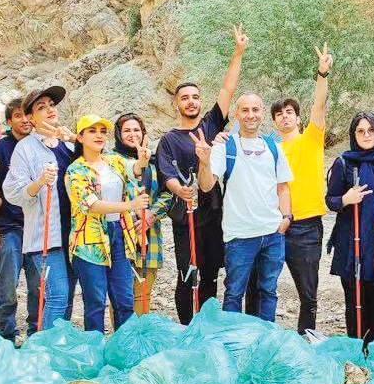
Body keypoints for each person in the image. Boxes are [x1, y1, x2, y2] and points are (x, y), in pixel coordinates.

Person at [155, 24, 248, 323]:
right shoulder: (168, 139)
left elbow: (227, 90)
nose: (191, 101)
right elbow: (166, 173)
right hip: (186, 218)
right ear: (177, 103)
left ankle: (206, 327)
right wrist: (179, 189)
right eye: (185, 98)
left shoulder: (209, 126)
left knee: (209, 275)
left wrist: (238, 52)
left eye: (195, 97)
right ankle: (186, 329)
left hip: (213, 214)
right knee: (187, 274)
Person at [245, 44, 334, 334]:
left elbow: (318, 106)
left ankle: (304, 340)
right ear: (274, 121)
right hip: (271, 226)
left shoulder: (311, 139)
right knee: (258, 286)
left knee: (307, 294)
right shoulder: (268, 148)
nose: (284, 117)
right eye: (279, 114)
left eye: (289, 112)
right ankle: (257, 336)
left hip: (306, 225)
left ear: (297, 118)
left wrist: (322, 73)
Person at [196, 93, 292, 321]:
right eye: (245, 110)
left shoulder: (273, 146)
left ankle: (266, 340)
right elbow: (207, 185)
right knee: (234, 294)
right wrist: (204, 161)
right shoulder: (224, 146)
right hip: (239, 235)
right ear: (236, 114)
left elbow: (283, 186)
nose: (251, 115)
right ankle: (234, 341)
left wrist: (285, 218)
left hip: (272, 233)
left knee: (268, 291)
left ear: (262, 113)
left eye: (255, 110)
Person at [2, 85, 77, 333]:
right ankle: (44, 354)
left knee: (67, 300)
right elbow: (12, 191)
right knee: (57, 295)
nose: (49, 110)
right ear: (31, 118)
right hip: (46, 237)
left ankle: (57, 348)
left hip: (76, 235)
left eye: (51, 105)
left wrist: (74, 139)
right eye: (41, 108)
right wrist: (38, 183)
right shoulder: (26, 148)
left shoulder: (68, 145)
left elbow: (101, 163)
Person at [65, 115, 149, 332]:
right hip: (89, 240)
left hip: (119, 235)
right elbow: (91, 205)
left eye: (103, 131)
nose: (99, 135)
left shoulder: (114, 160)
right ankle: (95, 353)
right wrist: (130, 205)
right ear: (80, 137)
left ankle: (123, 350)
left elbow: (134, 170)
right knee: (95, 302)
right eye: (92, 131)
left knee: (124, 299)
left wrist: (142, 160)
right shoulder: (75, 170)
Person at [325, 112, 374, 344]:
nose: (366, 135)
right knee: (354, 300)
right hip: (351, 241)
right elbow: (330, 200)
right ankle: (356, 349)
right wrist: (346, 198)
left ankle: (372, 349)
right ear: (353, 134)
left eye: (371, 130)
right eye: (360, 131)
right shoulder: (344, 162)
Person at [0, 97, 37, 341]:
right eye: (17, 116)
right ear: (9, 122)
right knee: (8, 283)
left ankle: (36, 334)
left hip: (37, 227)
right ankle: (6, 334)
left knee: (38, 284)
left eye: (27, 114)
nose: (24, 120)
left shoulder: (40, 146)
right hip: (8, 226)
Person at [113, 113, 161, 314]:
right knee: (122, 296)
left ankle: (140, 338)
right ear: (118, 134)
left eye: (136, 130)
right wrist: (132, 213)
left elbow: (166, 193)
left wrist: (153, 214)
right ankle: (122, 339)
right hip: (122, 234)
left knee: (143, 294)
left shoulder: (156, 162)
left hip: (149, 233)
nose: (132, 134)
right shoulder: (111, 159)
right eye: (127, 130)